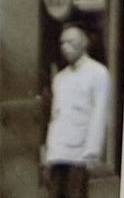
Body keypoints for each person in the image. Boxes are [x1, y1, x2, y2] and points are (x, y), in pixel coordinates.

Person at [43, 25, 110, 198]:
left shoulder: (98, 73)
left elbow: (99, 113)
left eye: (70, 42)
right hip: (58, 153)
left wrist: (92, 151)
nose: (65, 46)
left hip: (80, 154)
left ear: (84, 43)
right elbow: (55, 117)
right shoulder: (60, 78)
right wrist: (49, 153)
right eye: (62, 42)